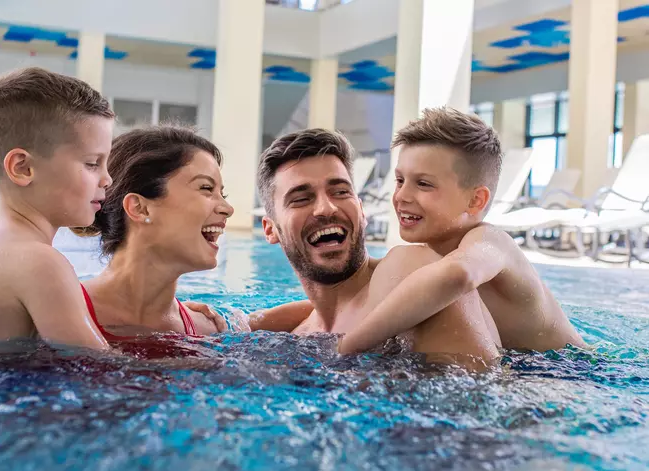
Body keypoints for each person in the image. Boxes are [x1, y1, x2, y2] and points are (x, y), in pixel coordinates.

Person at [338, 107, 585, 354]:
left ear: (475, 200)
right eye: (400, 180)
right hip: (521, 367)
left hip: (571, 373)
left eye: (423, 184)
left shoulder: (492, 242)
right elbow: (366, 275)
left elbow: (458, 274)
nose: (402, 195)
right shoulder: (427, 256)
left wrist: (349, 345)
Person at [255, 128, 501, 369]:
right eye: (301, 199)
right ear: (270, 229)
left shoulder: (409, 269)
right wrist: (247, 322)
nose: (327, 208)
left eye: (341, 192)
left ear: (361, 211)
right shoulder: (300, 329)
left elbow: (481, 397)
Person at [0, 67, 116, 350]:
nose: (108, 178)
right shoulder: (41, 263)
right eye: (92, 163)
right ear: (23, 167)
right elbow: (100, 368)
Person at [72, 126, 234, 339]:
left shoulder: (210, 328)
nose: (228, 209)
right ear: (140, 208)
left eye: (222, 194)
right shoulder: (56, 314)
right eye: (206, 188)